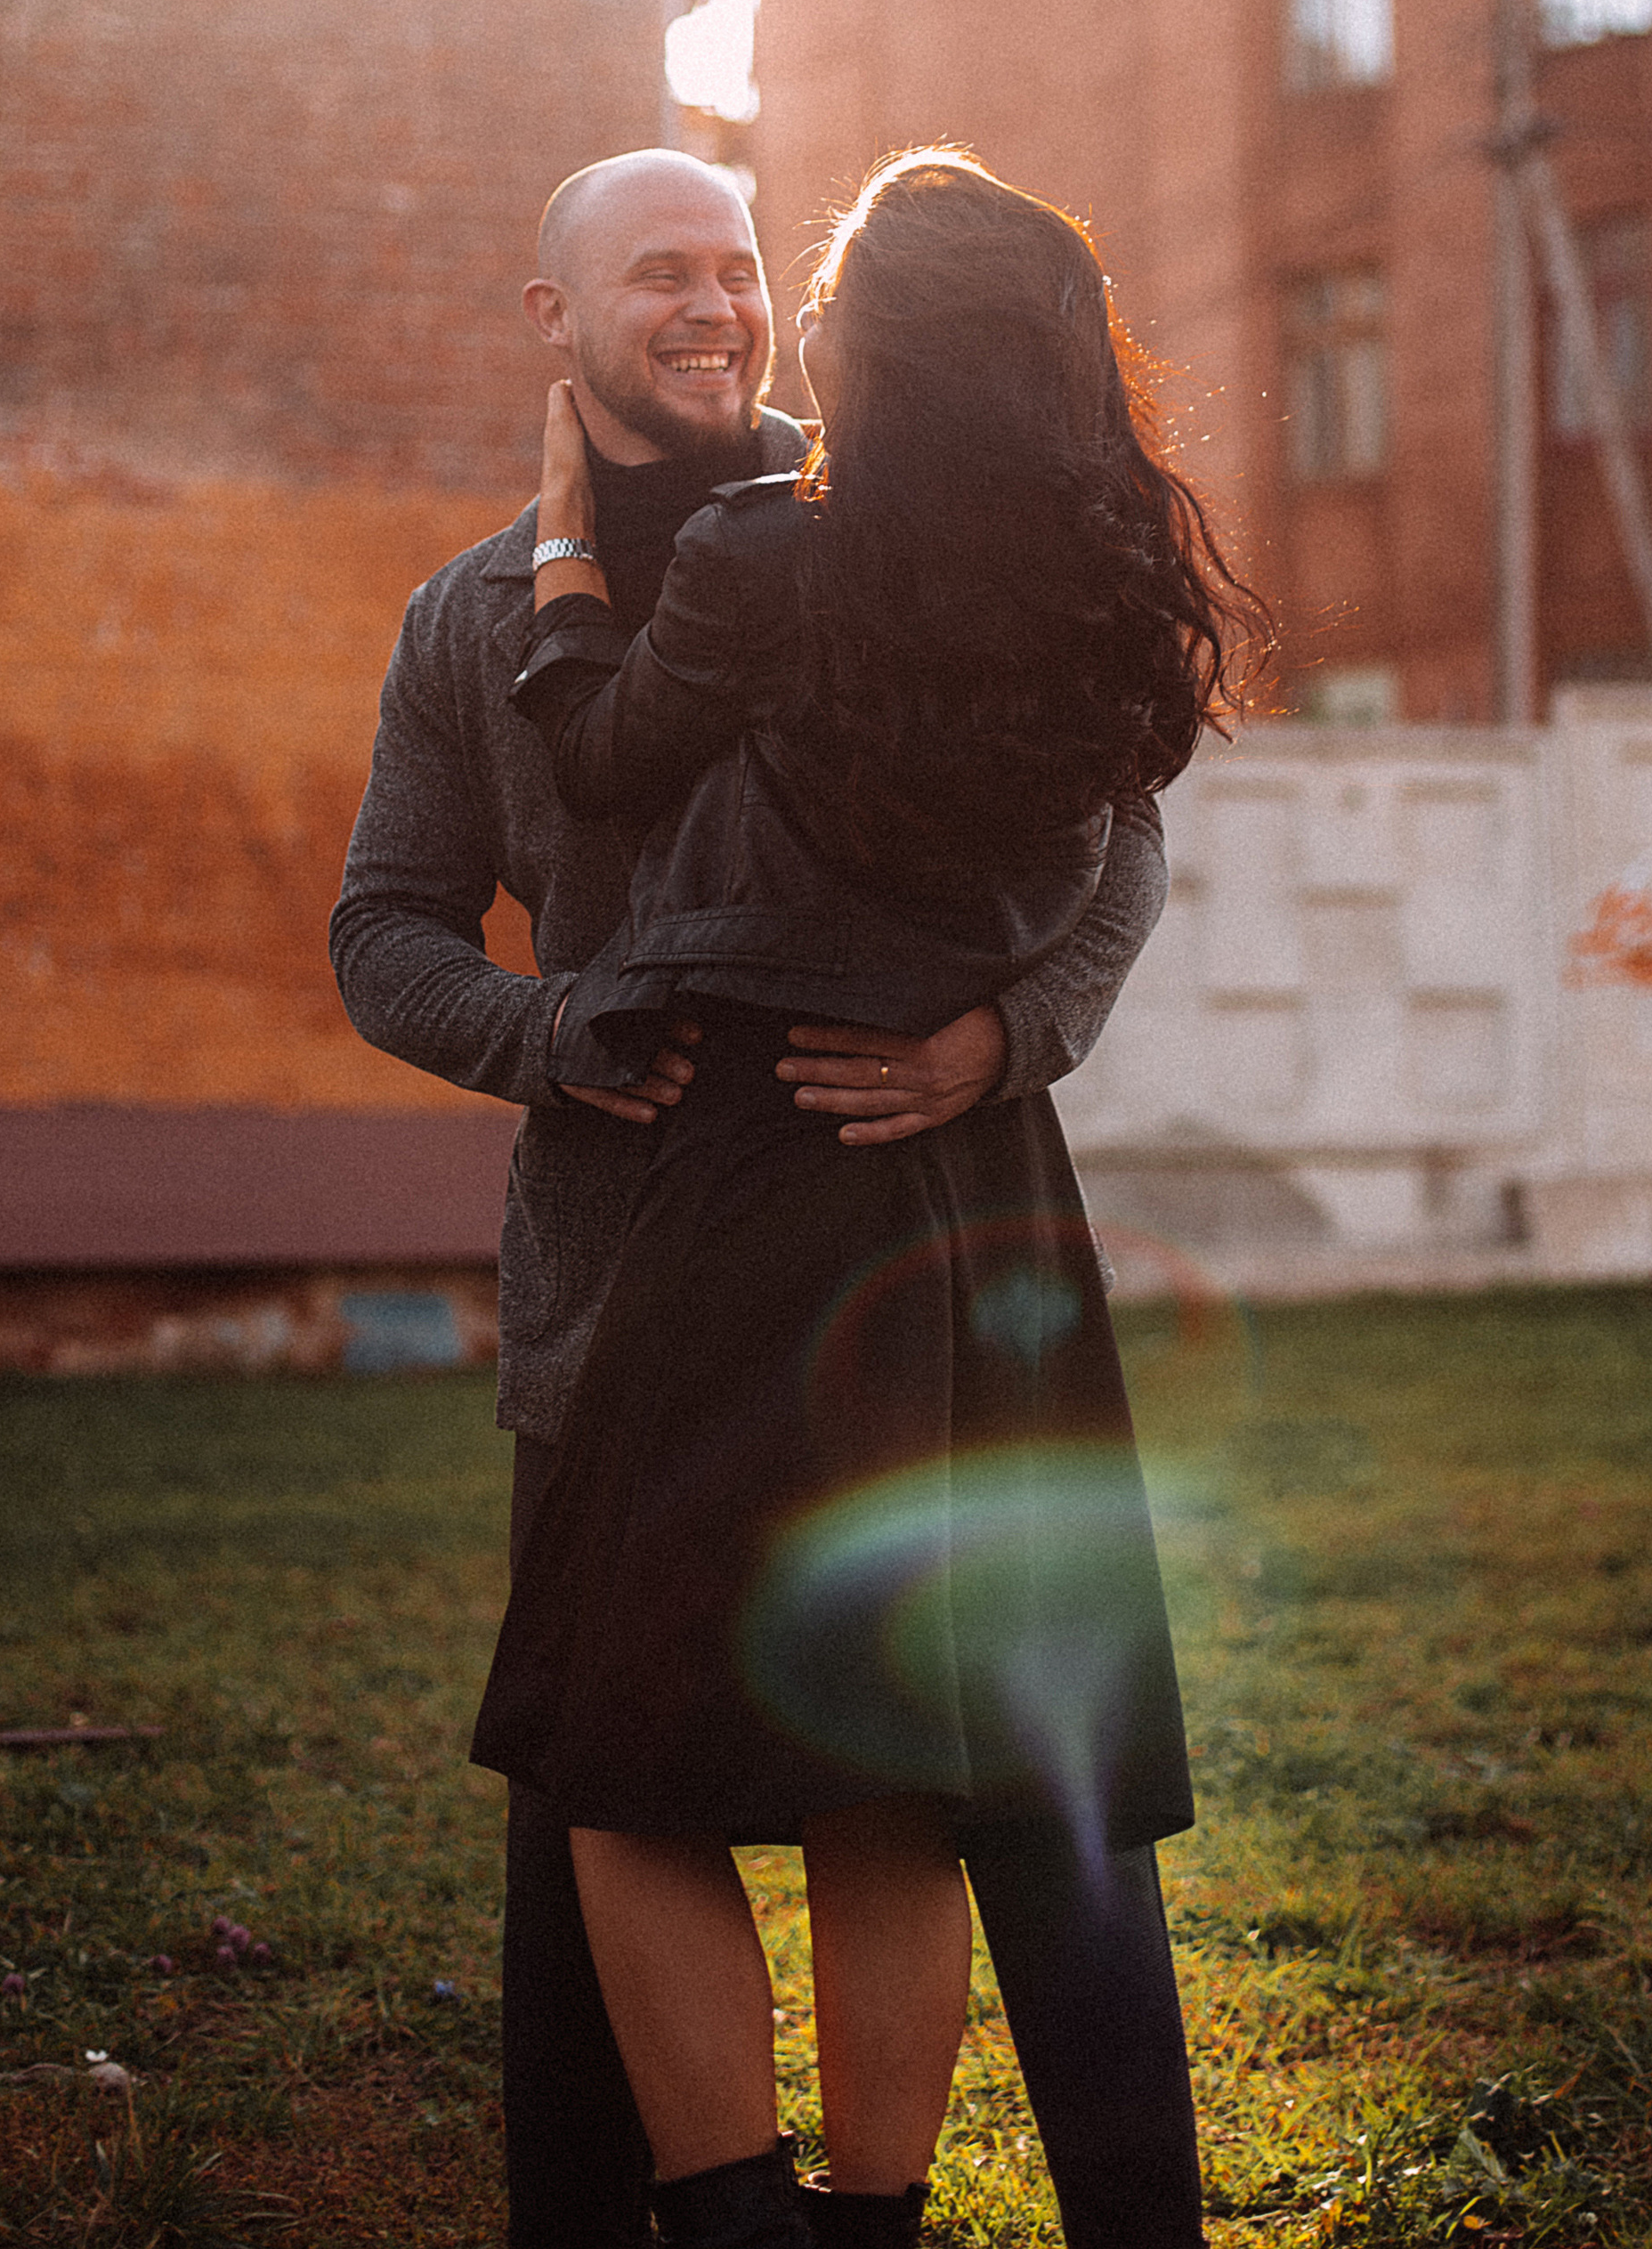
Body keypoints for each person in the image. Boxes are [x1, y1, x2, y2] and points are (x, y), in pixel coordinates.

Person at [330, 147, 1215, 2249]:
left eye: (741, 267)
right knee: (608, 1778)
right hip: (617, 1272)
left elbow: (1120, 858)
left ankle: (1117, 2218)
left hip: (928, 1234)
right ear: (554, 320)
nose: (717, 306)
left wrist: (997, 1042)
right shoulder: (466, 616)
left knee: (969, 1787)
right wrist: (556, 1038)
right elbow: (386, 929)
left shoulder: (909, 521)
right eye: (660, 276)